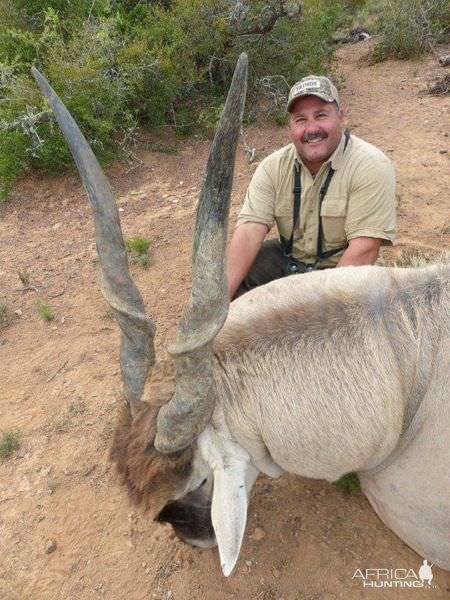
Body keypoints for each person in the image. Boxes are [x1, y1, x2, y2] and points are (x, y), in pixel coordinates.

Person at [227, 75, 396, 299]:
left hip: (343, 270)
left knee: (361, 311)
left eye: (321, 115)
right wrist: (217, 304)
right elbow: (249, 233)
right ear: (291, 126)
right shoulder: (272, 168)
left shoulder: (370, 165)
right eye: (300, 119)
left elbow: (365, 250)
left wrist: (311, 311)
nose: (311, 129)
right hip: (290, 262)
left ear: (341, 117)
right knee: (227, 282)